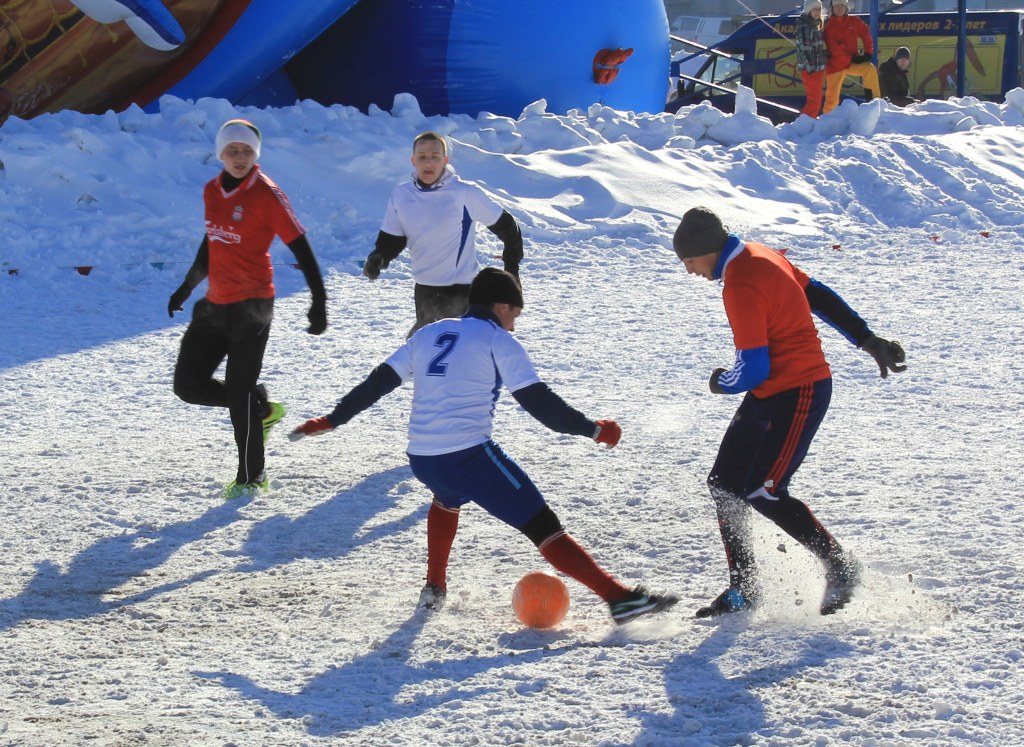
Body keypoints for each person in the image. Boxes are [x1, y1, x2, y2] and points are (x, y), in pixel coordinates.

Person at [290, 267, 677, 625]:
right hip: (467, 456)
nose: (514, 324)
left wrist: (333, 419)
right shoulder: (497, 340)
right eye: (515, 315)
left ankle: (434, 587)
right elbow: (541, 406)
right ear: (502, 306)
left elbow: (378, 382)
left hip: (423, 457)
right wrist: (595, 430)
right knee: (543, 525)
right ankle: (618, 599)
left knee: (447, 498)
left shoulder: (429, 333)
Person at [671, 207, 906, 618]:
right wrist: (867, 339)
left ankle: (841, 567)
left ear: (706, 251)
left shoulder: (741, 284)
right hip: (771, 392)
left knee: (764, 489)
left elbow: (752, 368)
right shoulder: (760, 253)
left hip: (800, 391)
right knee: (725, 483)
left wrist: (721, 382)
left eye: (689, 261)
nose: (689, 271)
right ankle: (744, 588)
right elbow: (818, 295)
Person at [168, 118, 328, 500]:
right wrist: (186, 287)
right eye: (232, 150)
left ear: (256, 154)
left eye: (247, 151)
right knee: (187, 386)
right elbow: (211, 243)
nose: (239, 157)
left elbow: (301, 249)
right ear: (221, 153)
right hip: (214, 306)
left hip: (252, 307)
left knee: (237, 395)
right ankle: (260, 404)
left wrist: (318, 302)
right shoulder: (211, 190)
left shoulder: (267, 195)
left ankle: (252, 477)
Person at [362, 131, 524, 337]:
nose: (428, 163)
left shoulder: (465, 194)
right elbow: (393, 238)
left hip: (462, 292)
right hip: (424, 290)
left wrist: (512, 268)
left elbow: (508, 227)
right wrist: (379, 258)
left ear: (445, 160)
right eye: (422, 157)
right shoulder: (402, 195)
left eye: (434, 157)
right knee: (425, 354)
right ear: (413, 160)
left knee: (460, 353)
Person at [822, 0, 880, 115]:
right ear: (832, 9)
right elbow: (835, 50)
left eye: (842, 6)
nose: (839, 8)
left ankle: (875, 102)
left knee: (870, 69)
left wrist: (868, 52)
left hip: (851, 62)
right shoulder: (829, 27)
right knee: (831, 100)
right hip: (835, 66)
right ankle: (827, 119)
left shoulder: (854, 21)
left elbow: (865, 33)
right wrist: (853, 59)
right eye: (836, 6)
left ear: (846, 8)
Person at [795, 0, 827, 118]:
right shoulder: (805, 26)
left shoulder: (815, 25)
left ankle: (808, 121)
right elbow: (805, 49)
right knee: (814, 101)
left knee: (816, 100)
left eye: (819, 9)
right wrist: (811, 69)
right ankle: (803, 123)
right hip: (811, 69)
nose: (818, 12)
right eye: (815, 9)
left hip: (817, 67)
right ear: (809, 10)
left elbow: (816, 48)